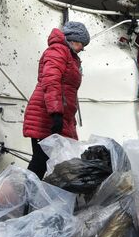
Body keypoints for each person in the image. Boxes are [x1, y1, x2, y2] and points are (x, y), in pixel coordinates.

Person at [22, 21, 90, 179]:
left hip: (58, 114)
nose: (82, 49)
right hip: (47, 115)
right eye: (81, 44)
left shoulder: (69, 56)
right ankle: (23, 198)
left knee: (53, 161)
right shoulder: (58, 50)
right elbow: (51, 81)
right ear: (73, 40)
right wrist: (56, 114)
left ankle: (37, 197)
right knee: (40, 161)